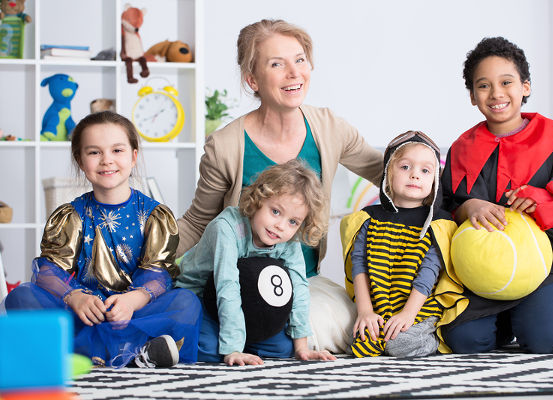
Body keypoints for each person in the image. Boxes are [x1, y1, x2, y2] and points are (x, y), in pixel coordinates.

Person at [177, 19, 383, 352]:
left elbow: (386, 172)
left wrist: (448, 185)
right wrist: (144, 259)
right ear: (252, 79)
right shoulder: (226, 146)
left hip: (299, 278)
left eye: (300, 60)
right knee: (208, 331)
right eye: (277, 64)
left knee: (311, 337)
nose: (294, 73)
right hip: (236, 277)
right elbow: (197, 223)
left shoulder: (330, 128)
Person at [3, 111, 202, 368]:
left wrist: (133, 300)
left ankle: (87, 350)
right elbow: (49, 270)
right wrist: (73, 296)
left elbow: (159, 273)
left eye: (117, 150)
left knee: (186, 303)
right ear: (80, 160)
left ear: (133, 156)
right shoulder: (70, 215)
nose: (107, 160)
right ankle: (128, 350)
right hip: (84, 310)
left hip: (134, 313)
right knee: (20, 297)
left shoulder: (155, 216)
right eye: (94, 152)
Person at [440, 37, 553, 353]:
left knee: (543, 340)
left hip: (541, 266)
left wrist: (542, 200)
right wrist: (469, 205)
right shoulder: (462, 149)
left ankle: (536, 315)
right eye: (483, 86)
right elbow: (446, 206)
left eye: (506, 82)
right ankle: (510, 319)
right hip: (482, 268)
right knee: (465, 342)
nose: (496, 93)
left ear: (525, 86)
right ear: (472, 96)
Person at [176, 160, 336, 365]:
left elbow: (299, 288)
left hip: (246, 302)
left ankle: (239, 338)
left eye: (293, 222)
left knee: (283, 349)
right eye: (276, 212)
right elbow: (227, 285)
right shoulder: (227, 227)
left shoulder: (289, 242)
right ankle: (232, 340)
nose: (280, 226)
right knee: (211, 350)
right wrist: (232, 348)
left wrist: (302, 347)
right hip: (200, 297)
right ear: (258, 200)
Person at [340, 131, 457, 357]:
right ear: (388, 174)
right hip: (380, 304)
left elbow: (429, 272)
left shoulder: (438, 222)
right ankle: (380, 327)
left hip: (419, 307)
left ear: (434, 181)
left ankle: (434, 338)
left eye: (425, 170)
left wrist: (408, 315)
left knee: (399, 344)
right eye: (405, 167)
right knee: (361, 346)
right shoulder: (368, 218)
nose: (414, 175)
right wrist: (365, 312)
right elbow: (359, 266)